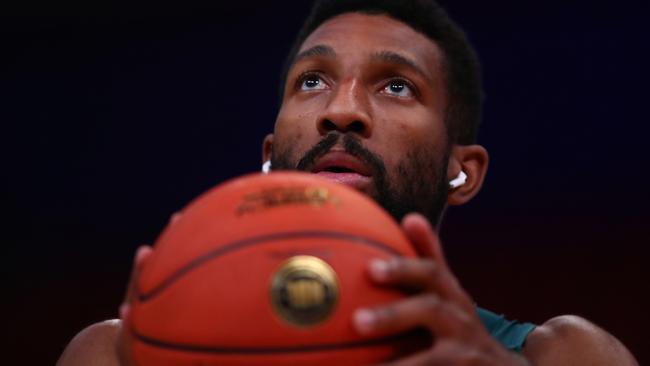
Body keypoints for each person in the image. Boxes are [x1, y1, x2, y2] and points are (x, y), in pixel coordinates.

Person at [57, 0, 639, 365]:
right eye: (312, 82)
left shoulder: (560, 354)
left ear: (460, 172)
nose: (341, 110)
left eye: (396, 86)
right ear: (269, 158)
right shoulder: (119, 353)